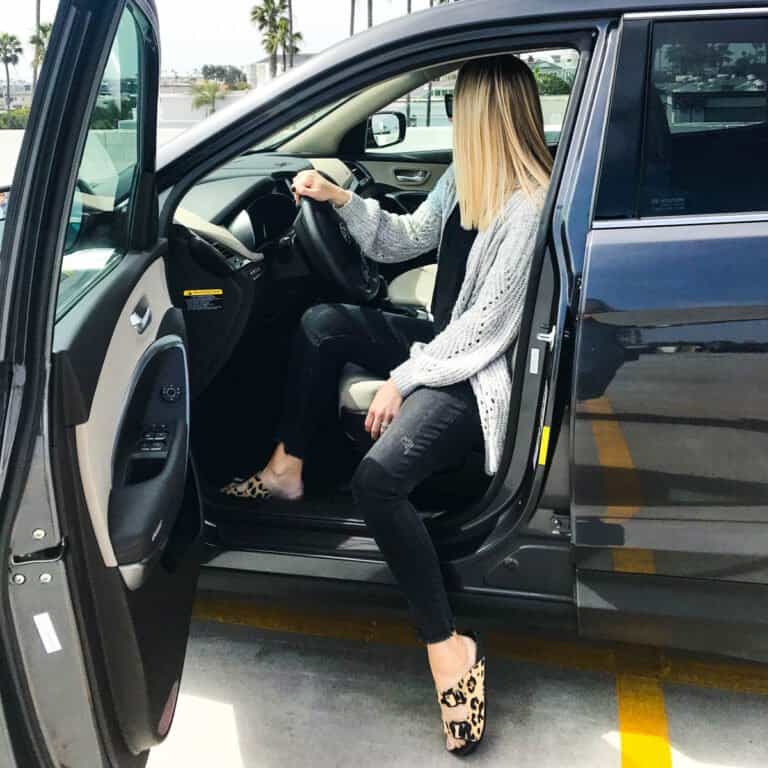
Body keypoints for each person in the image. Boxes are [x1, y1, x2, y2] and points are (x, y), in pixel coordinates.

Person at [222, 54, 551, 755]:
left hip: (474, 372)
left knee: (378, 479)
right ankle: (288, 468)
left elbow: (485, 329)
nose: (456, 121)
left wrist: (405, 376)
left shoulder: (527, 205)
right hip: (442, 344)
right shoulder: (469, 178)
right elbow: (405, 240)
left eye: (462, 108)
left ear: (485, 116)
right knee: (320, 325)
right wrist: (341, 201)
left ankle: (447, 646)